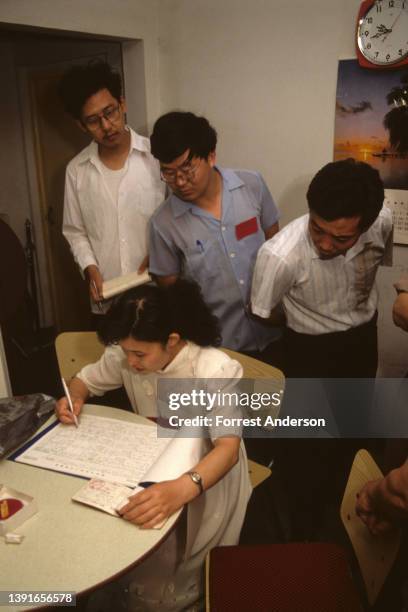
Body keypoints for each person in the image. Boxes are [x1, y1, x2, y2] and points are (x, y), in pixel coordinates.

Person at [56, 279, 251, 611]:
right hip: (149, 458)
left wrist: (182, 487)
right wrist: (73, 396)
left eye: (140, 354)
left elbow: (228, 449)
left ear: (172, 340)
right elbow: (85, 379)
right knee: (125, 536)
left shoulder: (213, 368)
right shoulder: (126, 352)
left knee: (180, 560)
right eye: (126, 351)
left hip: (207, 471)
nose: (130, 362)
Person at [148, 111, 280, 359]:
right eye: (168, 172)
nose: (179, 181)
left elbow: (277, 247)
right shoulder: (162, 225)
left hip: (275, 333)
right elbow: (174, 295)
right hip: (220, 351)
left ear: (211, 156)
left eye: (187, 169)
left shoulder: (252, 185)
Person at [251, 158, 393, 378]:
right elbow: (262, 311)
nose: (325, 245)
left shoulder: (382, 221)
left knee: (357, 410)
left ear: (366, 226)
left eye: (341, 238)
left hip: (363, 339)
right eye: (316, 229)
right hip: (307, 349)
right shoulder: (280, 255)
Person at [59, 61, 165, 315]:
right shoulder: (77, 170)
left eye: (111, 112)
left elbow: (180, 214)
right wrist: (89, 266)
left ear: (123, 104)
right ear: (80, 125)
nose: (106, 126)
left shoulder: (156, 156)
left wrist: (164, 251)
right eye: (94, 121)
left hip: (159, 292)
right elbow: (75, 231)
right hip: (110, 300)